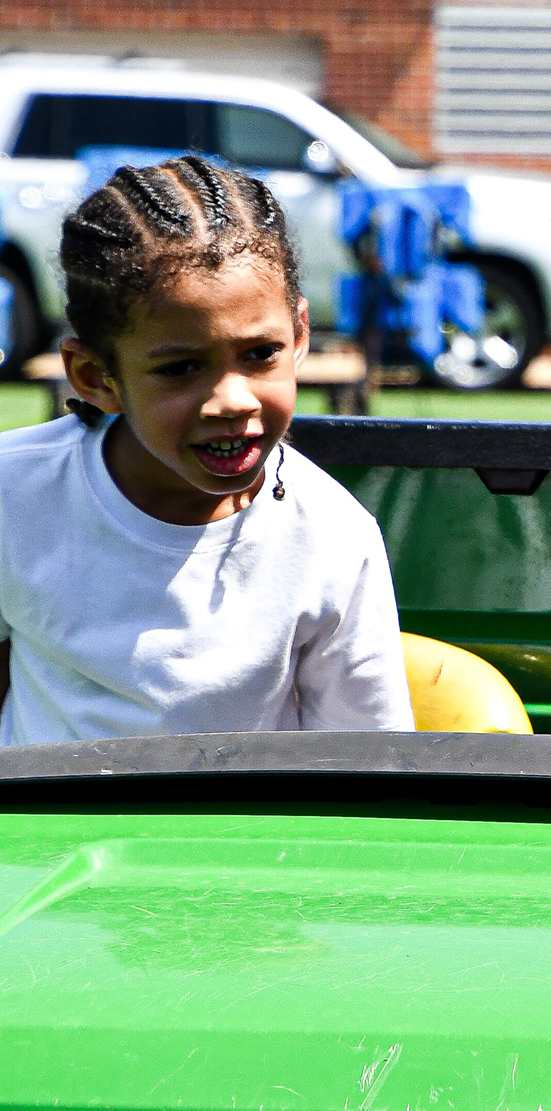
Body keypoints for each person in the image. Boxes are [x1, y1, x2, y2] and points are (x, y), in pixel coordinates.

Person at [0, 156, 412, 744]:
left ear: (299, 337)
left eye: (259, 354)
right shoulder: (14, 496)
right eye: (181, 367)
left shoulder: (334, 534)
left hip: (251, 838)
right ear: (95, 376)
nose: (231, 400)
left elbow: (369, 763)